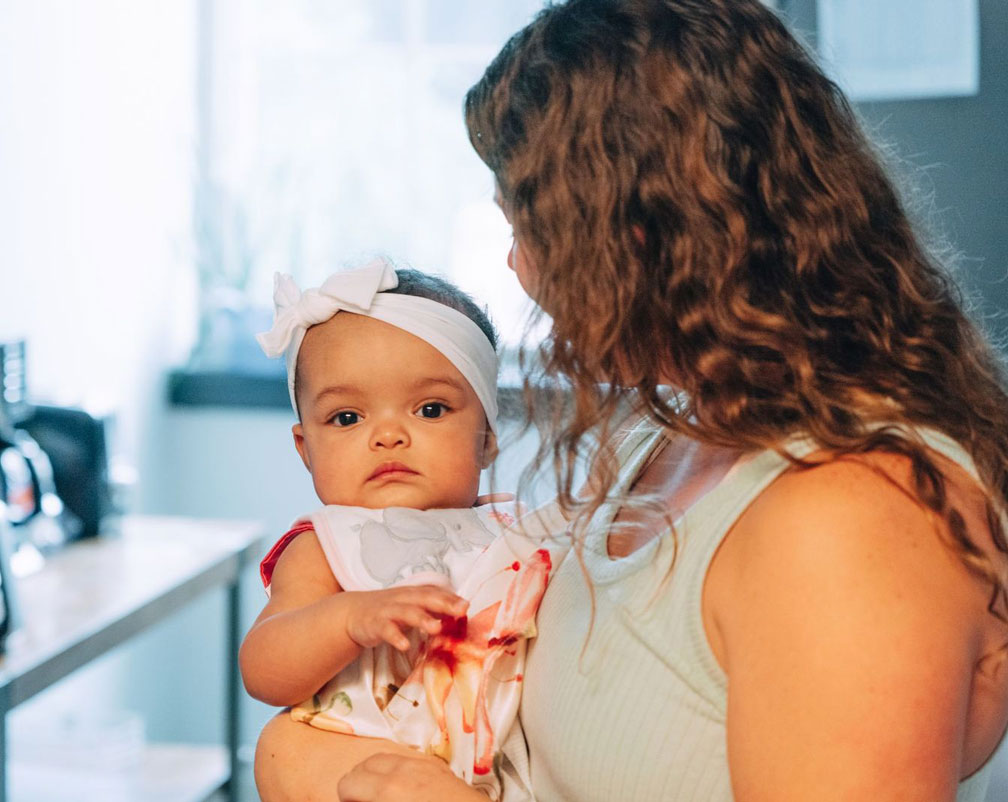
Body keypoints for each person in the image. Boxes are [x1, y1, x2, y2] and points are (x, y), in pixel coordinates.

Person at [252, 1, 1008, 800]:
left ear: (635, 235)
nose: (517, 268)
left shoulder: (853, 520)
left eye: (531, 229)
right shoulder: (672, 433)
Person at [240, 260, 568, 799]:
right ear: (306, 449)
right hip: (360, 770)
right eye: (347, 418)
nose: (388, 435)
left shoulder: (514, 536)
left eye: (430, 409)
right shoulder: (327, 546)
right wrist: (347, 619)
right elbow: (263, 670)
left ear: (486, 437)